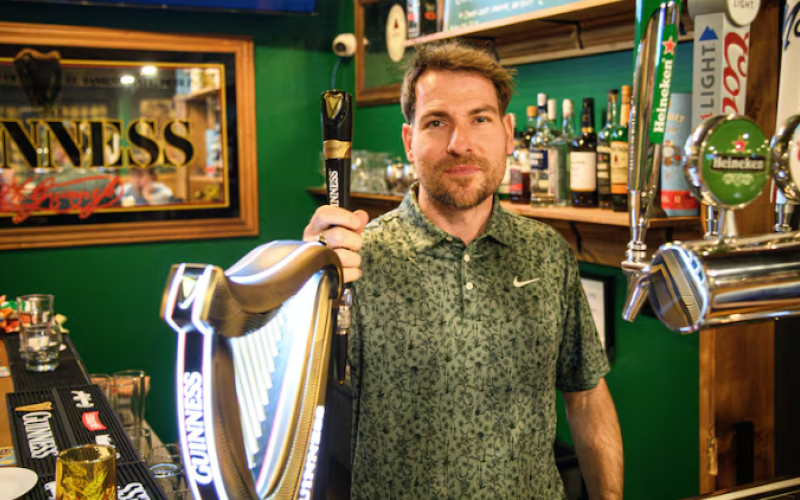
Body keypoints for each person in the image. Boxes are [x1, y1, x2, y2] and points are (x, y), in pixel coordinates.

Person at [304, 41, 623, 500]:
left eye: (480, 118)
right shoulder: (354, 260)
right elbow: (297, 404)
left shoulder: (547, 254)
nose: (461, 144)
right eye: (437, 122)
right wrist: (304, 280)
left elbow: (587, 395)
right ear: (409, 140)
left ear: (509, 133)